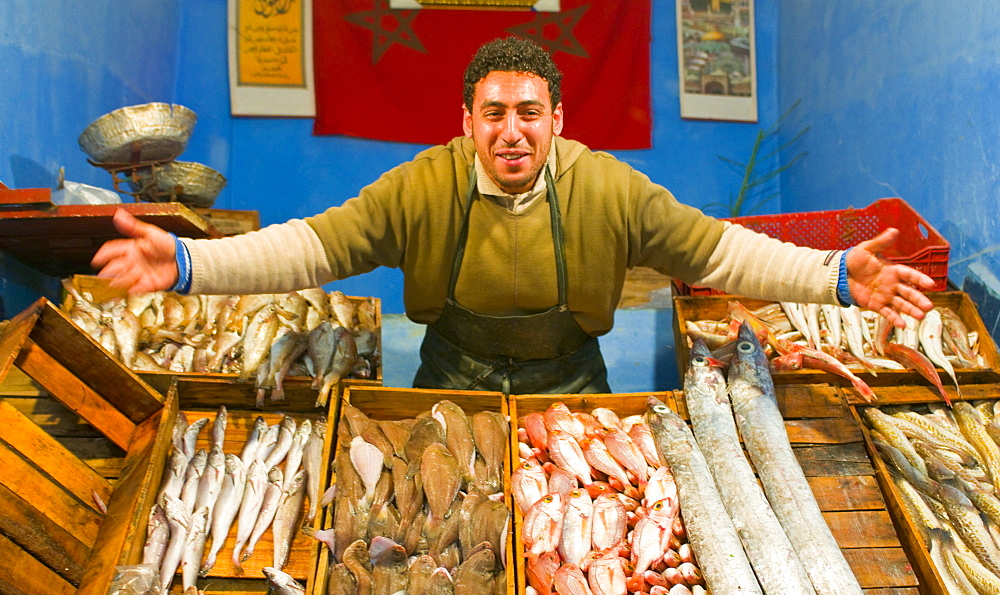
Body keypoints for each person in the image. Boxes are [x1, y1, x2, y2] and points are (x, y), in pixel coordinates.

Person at [93, 37, 935, 395]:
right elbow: (311, 249)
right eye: (492, 113)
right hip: (446, 378)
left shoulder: (612, 189)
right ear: (466, 122)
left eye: (530, 112)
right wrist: (194, 264)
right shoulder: (419, 188)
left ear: (558, 120)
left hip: (572, 381)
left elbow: (720, 254)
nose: (511, 131)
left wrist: (834, 278)